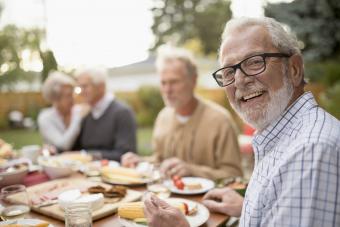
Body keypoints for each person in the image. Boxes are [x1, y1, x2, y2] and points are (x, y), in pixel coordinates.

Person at [144, 17, 340, 227]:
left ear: (294, 69)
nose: (239, 80)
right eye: (228, 71)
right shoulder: (285, 136)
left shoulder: (309, 152)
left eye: (255, 61)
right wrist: (248, 205)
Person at [122, 47, 242, 180]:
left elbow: (234, 175)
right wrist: (141, 161)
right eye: (163, 83)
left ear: (193, 81)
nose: (167, 90)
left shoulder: (220, 120)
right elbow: (159, 160)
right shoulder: (163, 117)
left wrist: (192, 170)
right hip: (167, 199)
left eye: (174, 82)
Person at [72, 68, 137, 161]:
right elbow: (75, 149)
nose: (81, 92)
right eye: (79, 87)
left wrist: (87, 155)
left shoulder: (122, 113)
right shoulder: (86, 113)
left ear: (101, 87)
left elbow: (125, 154)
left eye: (85, 86)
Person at [38, 71, 89, 152]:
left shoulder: (78, 110)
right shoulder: (46, 118)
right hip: (55, 162)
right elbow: (64, 145)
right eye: (68, 95)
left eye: (72, 94)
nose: (73, 98)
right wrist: (78, 118)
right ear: (55, 99)